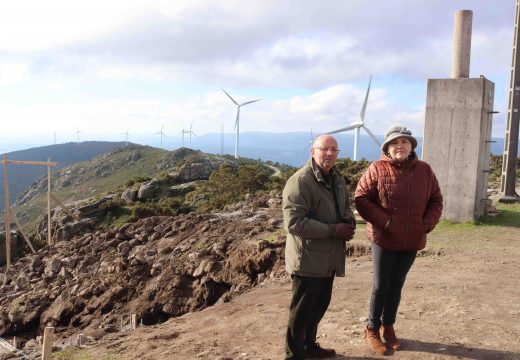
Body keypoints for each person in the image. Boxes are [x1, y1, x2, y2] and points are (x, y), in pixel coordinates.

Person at [354, 125, 443, 355]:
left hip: (412, 239)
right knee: (381, 285)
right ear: (387, 148)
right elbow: (362, 198)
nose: (400, 146)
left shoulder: (424, 170)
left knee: (397, 284)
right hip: (384, 238)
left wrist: (426, 224)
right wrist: (386, 223)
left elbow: (436, 199)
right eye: (395, 143)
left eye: (405, 141)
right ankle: (371, 329)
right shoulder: (377, 168)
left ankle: (389, 327)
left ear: (412, 146)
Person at [283, 134, 356, 360]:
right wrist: (334, 230)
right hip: (307, 260)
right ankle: (294, 355)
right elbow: (294, 223)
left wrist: (349, 222)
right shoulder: (300, 181)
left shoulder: (337, 180)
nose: (329, 154)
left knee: (318, 307)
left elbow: (345, 207)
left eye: (334, 150)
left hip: (328, 258)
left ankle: (309, 347)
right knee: (301, 312)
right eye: (324, 149)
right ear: (313, 152)